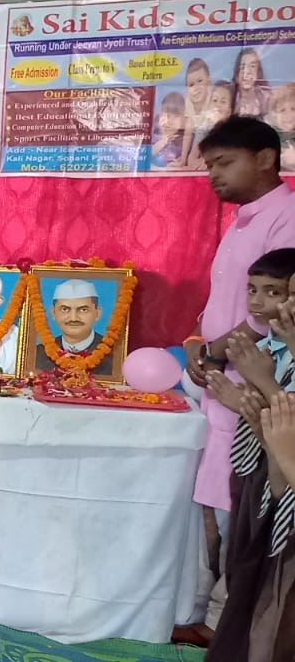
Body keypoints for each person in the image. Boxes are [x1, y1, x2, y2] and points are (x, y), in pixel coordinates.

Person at [183, 117, 295, 636]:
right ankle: (210, 615)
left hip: (261, 381)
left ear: (266, 159)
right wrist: (197, 340)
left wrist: (212, 351)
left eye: (224, 163)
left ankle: (232, 621)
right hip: (224, 378)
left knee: (247, 505)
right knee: (222, 502)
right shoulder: (244, 221)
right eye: (210, 165)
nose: (214, 175)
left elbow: (273, 313)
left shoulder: (287, 218)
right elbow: (226, 302)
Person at [32, 279, 111, 376]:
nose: (73, 318)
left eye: (83, 310)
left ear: (97, 313)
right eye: (65, 309)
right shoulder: (38, 354)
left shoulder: (113, 355)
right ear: (53, 313)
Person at [188, 83, 237, 170]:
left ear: (229, 111)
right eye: (214, 100)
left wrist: (209, 160)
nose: (218, 105)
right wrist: (197, 164)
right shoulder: (203, 128)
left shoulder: (233, 131)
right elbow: (192, 158)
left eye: (223, 102)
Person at [152, 91, 193, 170]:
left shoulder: (184, 141)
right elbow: (145, 156)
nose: (170, 121)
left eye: (176, 116)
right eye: (167, 115)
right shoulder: (154, 136)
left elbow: (189, 123)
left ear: (183, 120)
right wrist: (162, 142)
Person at [233, 48, 272, 120]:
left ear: (258, 72)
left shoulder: (267, 97)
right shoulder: (230, 95)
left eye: (252, 66)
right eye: (242, 67)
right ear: (237, 73)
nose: (247, 72)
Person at [185, 59, 215, 137]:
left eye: (200, 81)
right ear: (187, 89)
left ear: (209, 82)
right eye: (191, 84)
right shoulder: (187, 104)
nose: (196, 87)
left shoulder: (214, 101)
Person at [270, 83, 295, 171]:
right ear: (274, 115)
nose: (288, 115)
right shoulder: (270, 137)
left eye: (293, 109)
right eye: (282, 110)